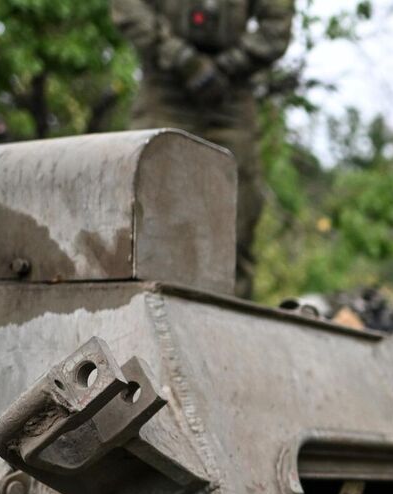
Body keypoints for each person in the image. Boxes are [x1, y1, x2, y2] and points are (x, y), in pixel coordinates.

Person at [111, 0, 292, 295]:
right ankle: (134, 310)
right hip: (165, 85)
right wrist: (180, 57)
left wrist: (229, 64)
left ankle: (232, 321)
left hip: (230, 91)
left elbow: (276, 26)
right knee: (145, 199)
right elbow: (129, 7)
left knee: (239, 211)